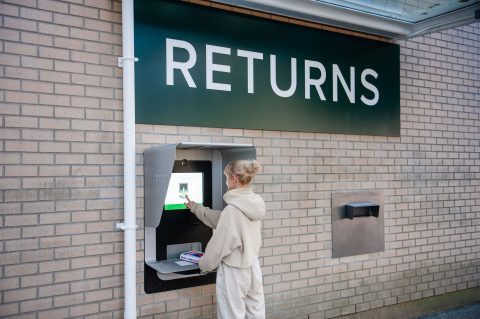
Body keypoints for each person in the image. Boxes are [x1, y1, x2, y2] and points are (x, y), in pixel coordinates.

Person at [185, 159, 266, 319]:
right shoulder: (252, 203)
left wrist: (204, 264)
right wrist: (196, 208)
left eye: (226, 177)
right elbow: (223, 220)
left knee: (231, 316)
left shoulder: (232, 210)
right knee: (256, 314)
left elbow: (218, 248)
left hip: (234, 272)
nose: (226, 181)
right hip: (252, 267)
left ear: (234, 179)